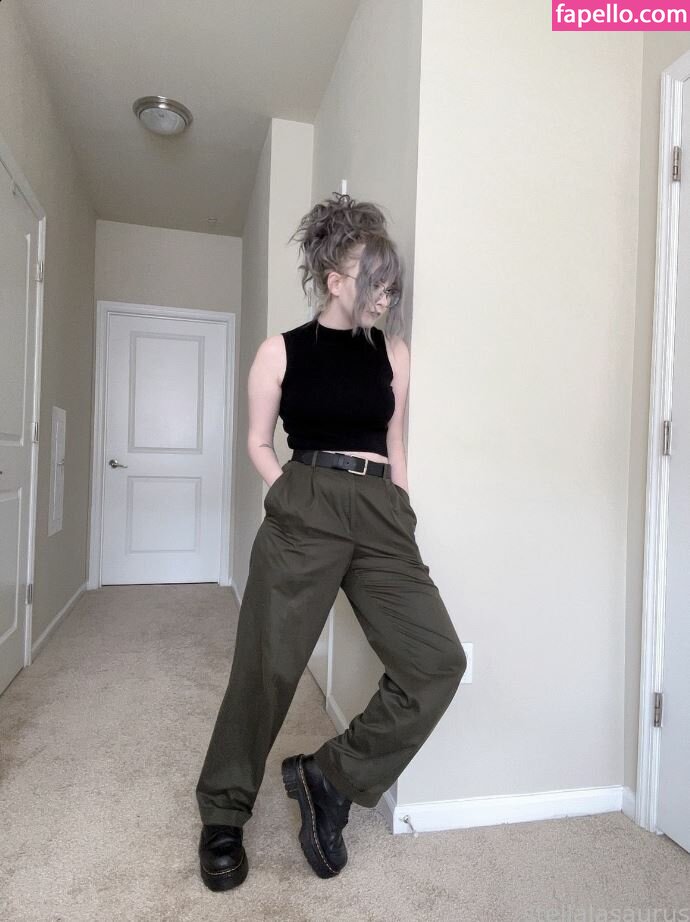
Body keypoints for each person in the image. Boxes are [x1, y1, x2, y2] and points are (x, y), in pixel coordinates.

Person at [195, 193, 467, 891]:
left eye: (391, 283)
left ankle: (330, 777)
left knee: (437, 661)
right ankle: (223, 809)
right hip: (307, 499)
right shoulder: (280, 351)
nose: (386, 294)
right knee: (267, 666)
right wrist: (287, 491)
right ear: (334, 278)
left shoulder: (393, 352)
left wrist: (400, 507)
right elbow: (258, 441)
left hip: (380, 509)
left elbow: (394, 439)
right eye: (374, 280)